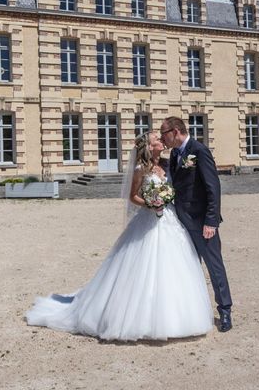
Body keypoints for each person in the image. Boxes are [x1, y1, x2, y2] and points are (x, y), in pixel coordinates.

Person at [25, 131, 213, 341]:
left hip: (170, 220)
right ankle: (139, 318)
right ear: (150, 147)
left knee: (175, 266)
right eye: (156, 139)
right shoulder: (141, 169)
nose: (161, 140)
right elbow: (132, 196)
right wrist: (151, 204)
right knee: (142, 267)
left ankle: (179, 315)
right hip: (149, 220)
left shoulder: (169, 164)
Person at [159, 116, 233, 332]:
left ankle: (225, 310)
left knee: (214, 265)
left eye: (164, 133)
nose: (163, 138)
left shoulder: (199, 151)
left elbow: (213, 188)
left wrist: (211, 221)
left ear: (175, 131)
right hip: (180, 222)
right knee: (188, 268)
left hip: (202, 222)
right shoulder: (174, 153)